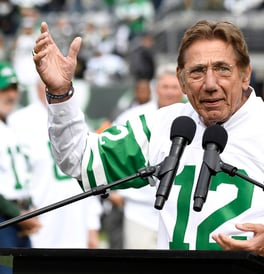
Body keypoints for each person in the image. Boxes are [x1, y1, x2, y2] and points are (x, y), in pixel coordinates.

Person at [33, 20, 264, 272]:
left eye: (222, 69)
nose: (211, 84)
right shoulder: (163, 125)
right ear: (181, 79)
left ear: (246, 75)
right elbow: (80, 161)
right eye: (198, 71)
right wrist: (61, 96)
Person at [8, 78, 103, 248]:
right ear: (38, 88)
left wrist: (92, 225)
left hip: (76, 217)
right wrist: (21, 212)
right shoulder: (18, 121)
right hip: (39, 216)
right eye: (49, 83)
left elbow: (89, 173)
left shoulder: (77, 119)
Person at [111, 62, 186, 249]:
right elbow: (114, 154)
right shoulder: (132, 117)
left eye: (174, 87)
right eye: (165, 86)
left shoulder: (193, 118)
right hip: (140, 210)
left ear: (182, 90)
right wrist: (114, 191)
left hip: (180, 211)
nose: (169, 92)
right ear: (156, 89)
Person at [0, 61, 41, 274]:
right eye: (4, 89)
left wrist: (29, 207)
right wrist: (18, 214)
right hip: (4, 220)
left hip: (18, 217)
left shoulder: (11, 125)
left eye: (13, 89)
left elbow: (22, 174)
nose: (10, 95)